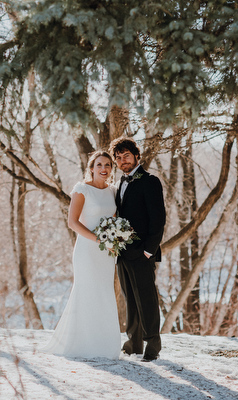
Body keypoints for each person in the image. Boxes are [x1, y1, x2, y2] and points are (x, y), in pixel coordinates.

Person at [42, 150, 121, 359]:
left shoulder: (114, 191)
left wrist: (114, 240)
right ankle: (81, 344)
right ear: (92, 168)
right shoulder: (82, 189)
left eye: (107, 165)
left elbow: (113, 219)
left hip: (107, 253)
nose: (103, 169)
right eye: (99, 165)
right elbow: (73, 222)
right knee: (86, 292)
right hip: (87, 250)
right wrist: (98, 239)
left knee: (104, 293)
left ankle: (105, 345)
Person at [109, 137, 166, 362]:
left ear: (136, 156)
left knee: (146, 299)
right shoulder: (120, 183)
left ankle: (153, 344)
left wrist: (148, 251)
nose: (123, 161)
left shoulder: (150, 181)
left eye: (127, 156)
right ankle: (133, 343)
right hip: (122, 252)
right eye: (119, 157)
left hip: (142, 252)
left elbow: (158, 219)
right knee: (129, 298)